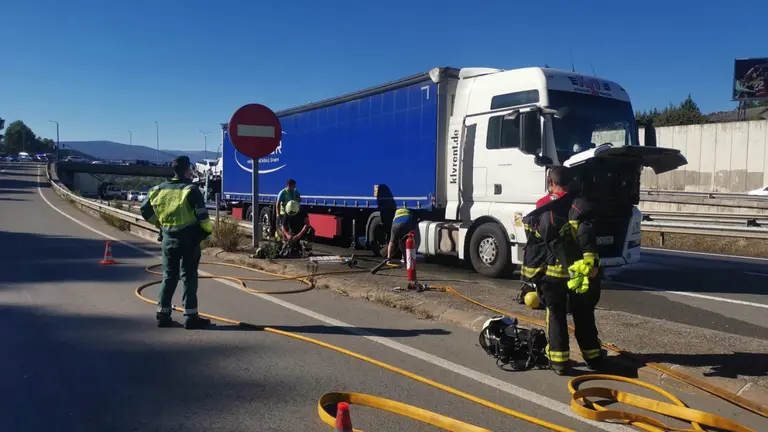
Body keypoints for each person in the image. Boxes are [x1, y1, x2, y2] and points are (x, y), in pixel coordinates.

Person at [532, 166, 603, 375]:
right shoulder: (581, 205)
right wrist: (592, 267)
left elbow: (536, 245)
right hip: (580, 276)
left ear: (550, 183)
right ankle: (593, 358)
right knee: (584, 315)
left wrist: (531, 275)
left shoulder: (543, 207)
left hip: (553, 274)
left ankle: (560, 362)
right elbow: (588, 238)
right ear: (571, 184)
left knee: (555, 316)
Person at [140, 156, 213, 329]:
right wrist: (206, 232)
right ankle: (190, 317)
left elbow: (144, 209)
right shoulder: (191, 190)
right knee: (188, 277)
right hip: (189, 240)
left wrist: (160, 224)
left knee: (169, 276)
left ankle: (163, 315)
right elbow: (203, 217)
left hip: (168, 239)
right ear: (188, 170)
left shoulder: (158, 189)